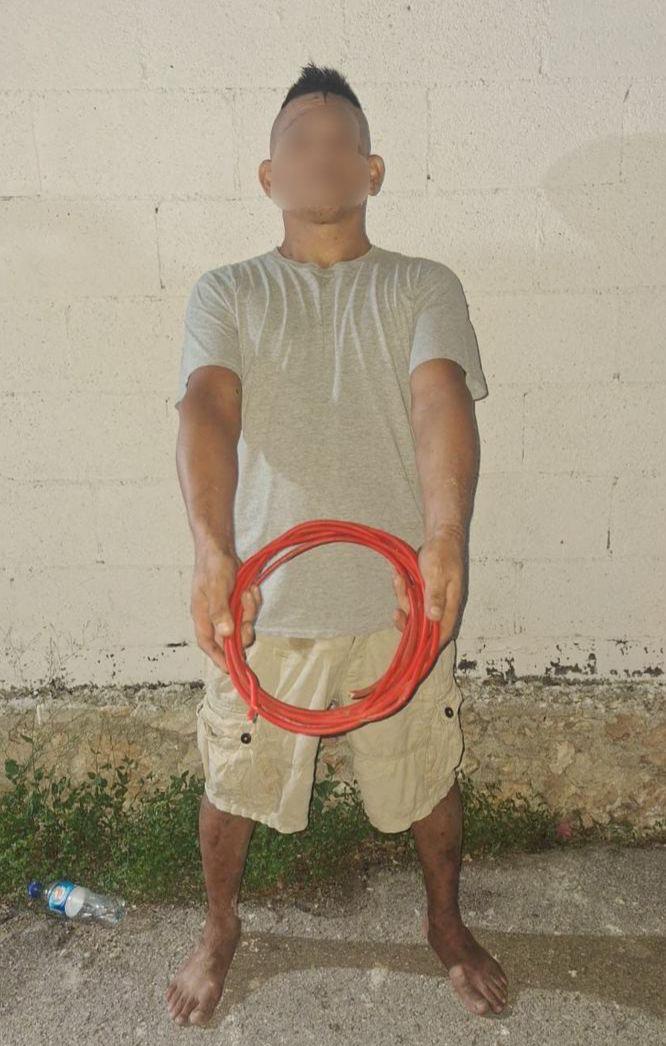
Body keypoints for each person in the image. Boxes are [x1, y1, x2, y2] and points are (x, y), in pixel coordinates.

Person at [166, 61, 508, 1027]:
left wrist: (444, 541)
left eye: (339, 142)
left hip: (400, 603)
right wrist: (212, 552)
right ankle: (219, 931)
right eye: (298, 142)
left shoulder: (421, 284)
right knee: (232, 785)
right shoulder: (228, 290)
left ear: (373, 169)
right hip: (264, 608)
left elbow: (440, 398)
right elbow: (206, 409)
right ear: (268, 175)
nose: (320, 156)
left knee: (427, 781)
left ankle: (445, 924)